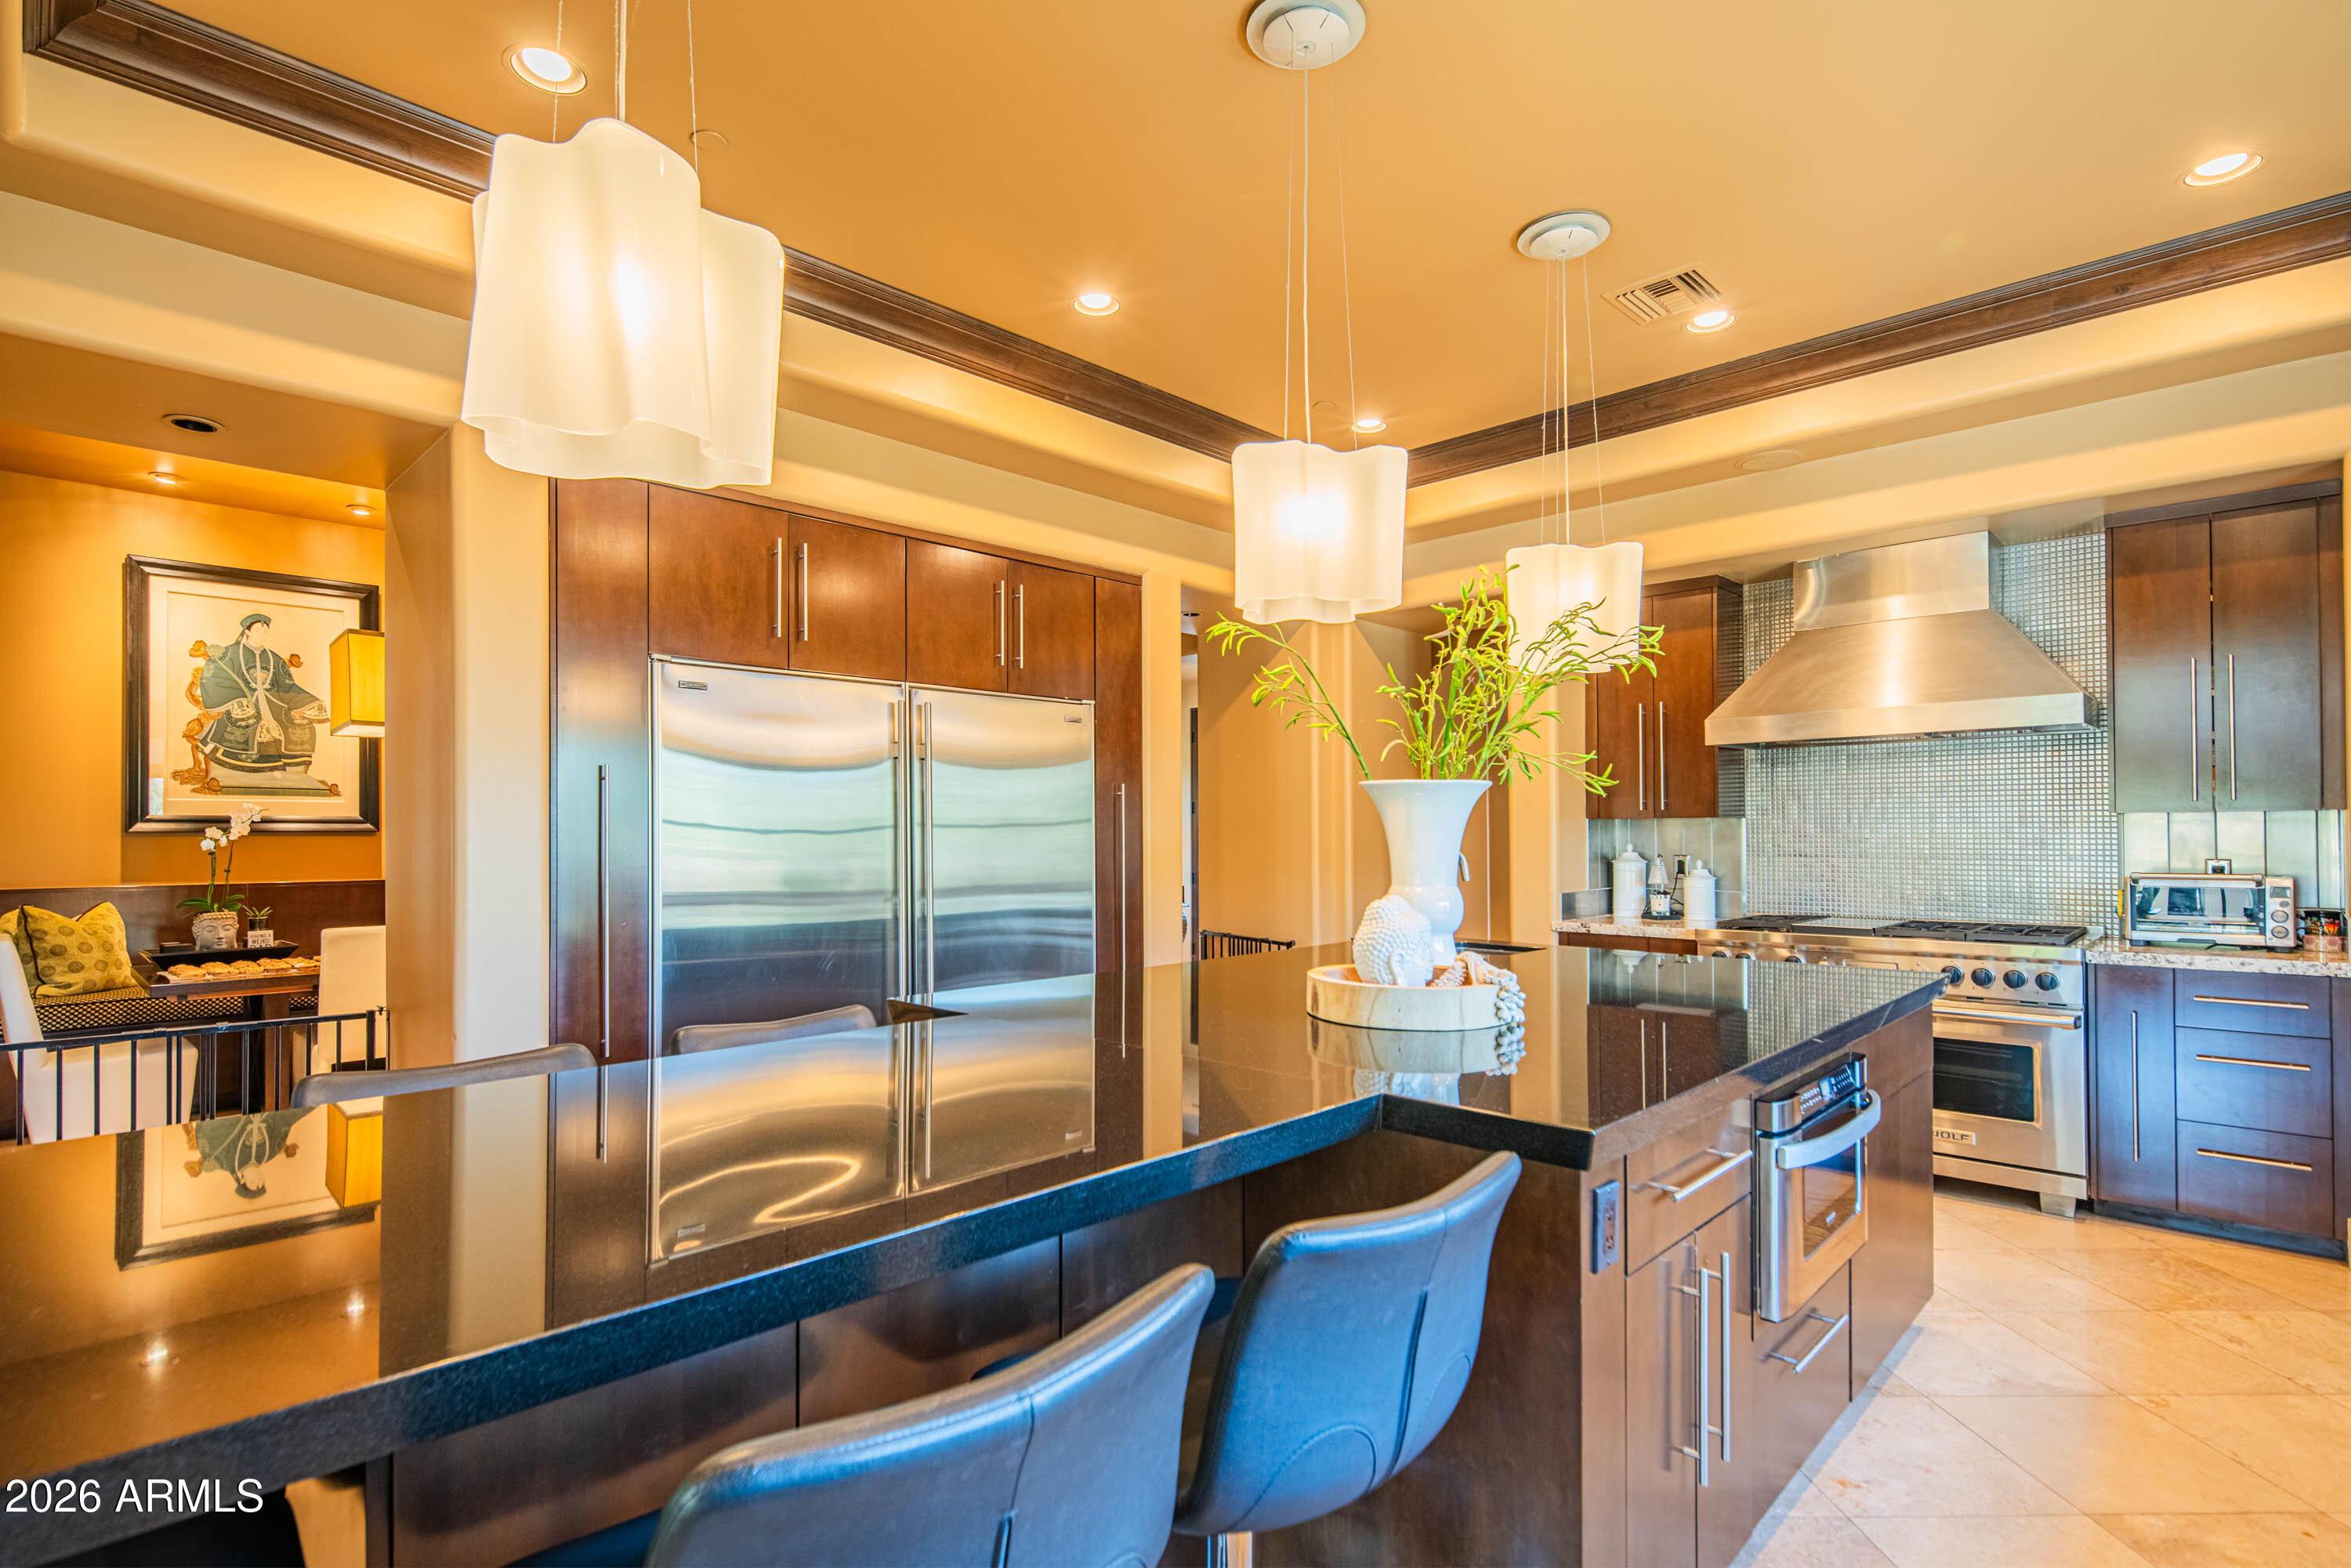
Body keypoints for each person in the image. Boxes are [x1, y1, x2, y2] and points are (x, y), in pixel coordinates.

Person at [196, 614, 330, 777]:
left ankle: (292, 769)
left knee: (300, 723)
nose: (262, 634)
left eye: (265, 631)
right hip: (240, 699)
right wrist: (236, 699)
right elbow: (216, 676)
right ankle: (261, 767)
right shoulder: (230, 652)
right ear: (247, 631)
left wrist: (310, 702)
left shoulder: (274, 658)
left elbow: (287, 686)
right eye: (258, 630)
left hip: (273, 702)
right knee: (252, 721)